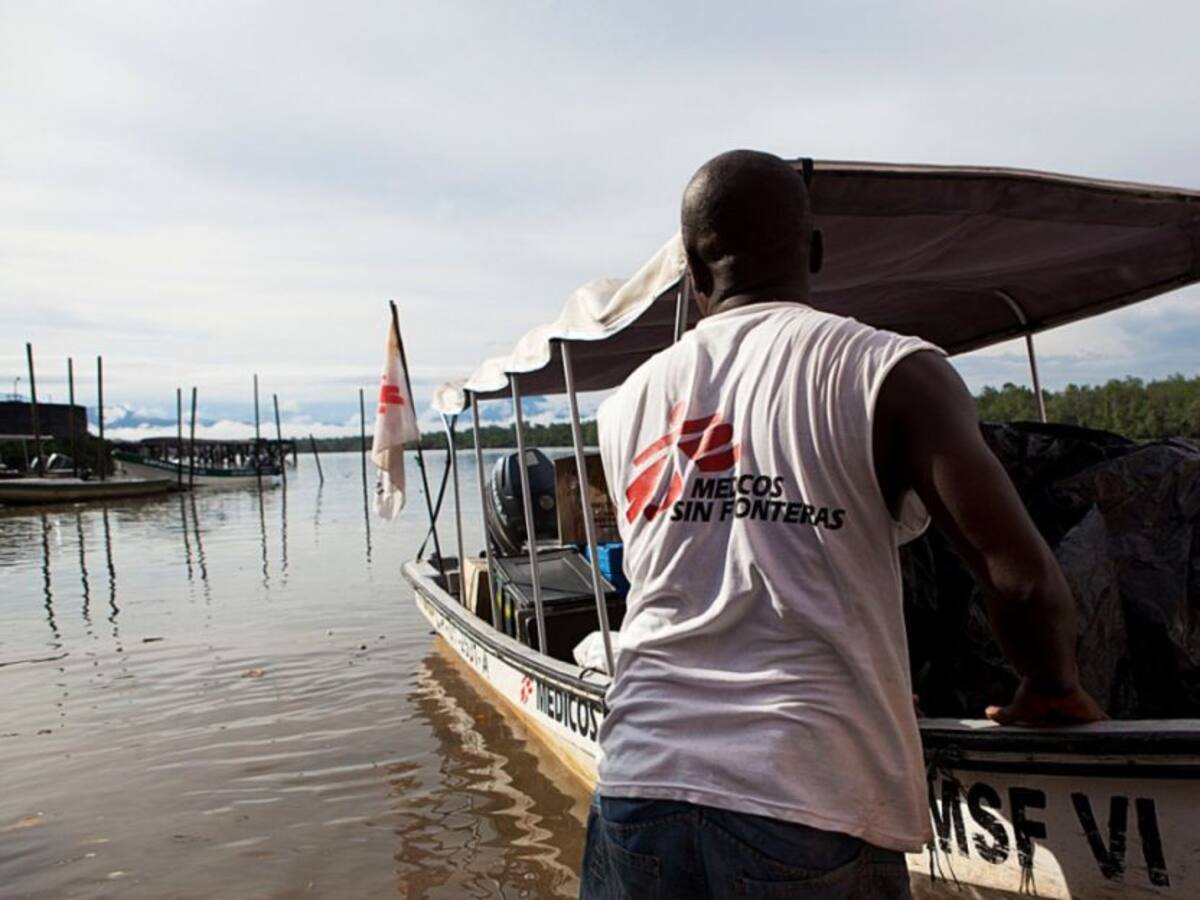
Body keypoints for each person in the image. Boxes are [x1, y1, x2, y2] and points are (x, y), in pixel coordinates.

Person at [582, 150, 1105, 900]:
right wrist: (1051, 687)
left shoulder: (625, 404)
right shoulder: (890, 370)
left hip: (634, 792)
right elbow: (1020, 584)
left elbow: (690, 580)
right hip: (808, 799)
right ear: (817, 252)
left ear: (694, 271)